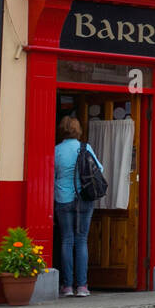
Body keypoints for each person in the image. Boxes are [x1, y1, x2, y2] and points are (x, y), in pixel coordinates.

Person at [54, 115, 103, 298]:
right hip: (84, 198)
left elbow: (52, 173)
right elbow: (100, 169)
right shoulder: (85, 147)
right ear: (78, 130)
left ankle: (67, 286)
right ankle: (82, 286)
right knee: (81, 240)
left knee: (67, 240)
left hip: (63, 198)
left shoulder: (57, 150)